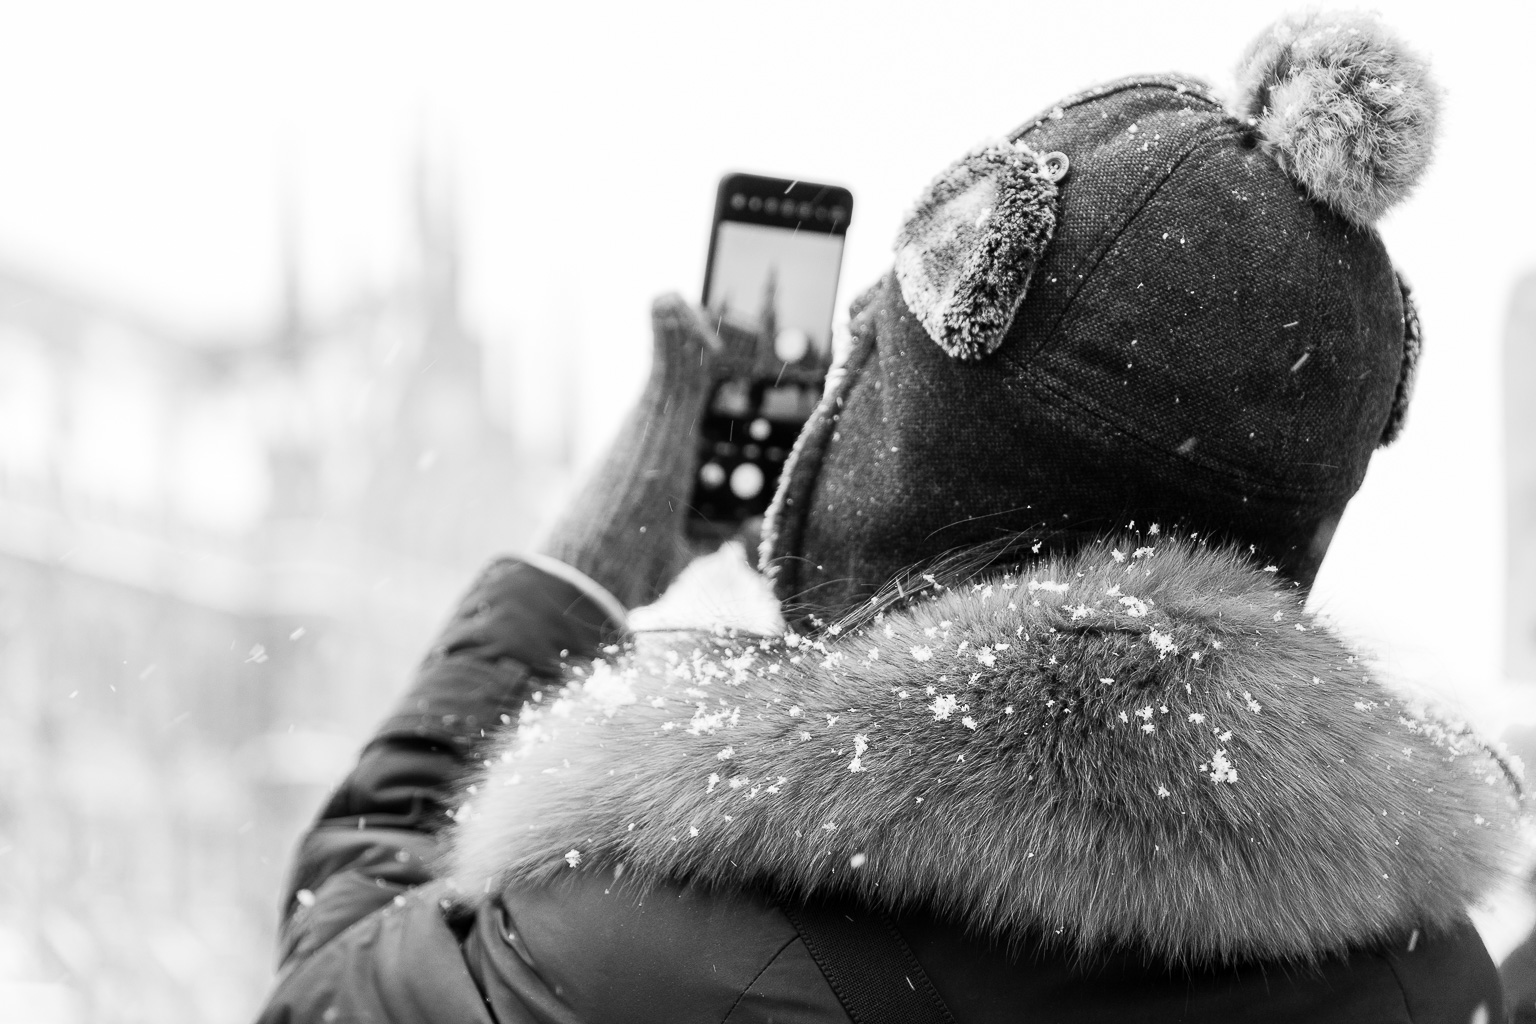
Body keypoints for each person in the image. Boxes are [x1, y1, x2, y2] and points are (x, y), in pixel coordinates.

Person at [257, 12, 1526, 1023]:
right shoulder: (1432, 974)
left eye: (873, 368)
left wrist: (570, 573)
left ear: (915, 453)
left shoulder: (639, 952)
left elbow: (328, 984)